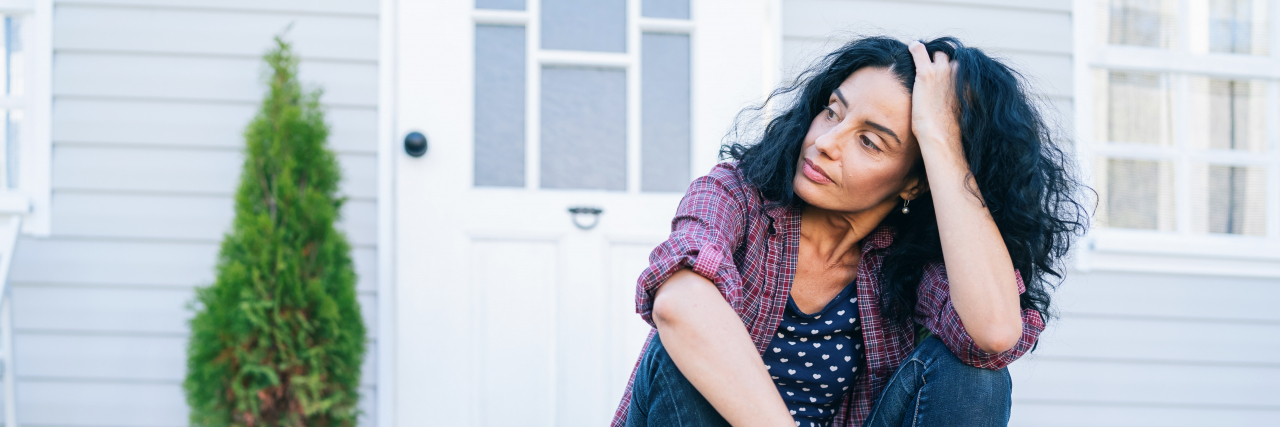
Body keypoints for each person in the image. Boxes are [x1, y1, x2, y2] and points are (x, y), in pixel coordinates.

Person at [611, 36, 1089, 427]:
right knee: (683, 344)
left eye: (869, 141)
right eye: (833, 113)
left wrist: (941, 141)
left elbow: (994, 333)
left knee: (978, 375)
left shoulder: (908, 259)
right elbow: (678, 304)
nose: (824, 143)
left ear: (914, 181)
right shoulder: (736, 194)